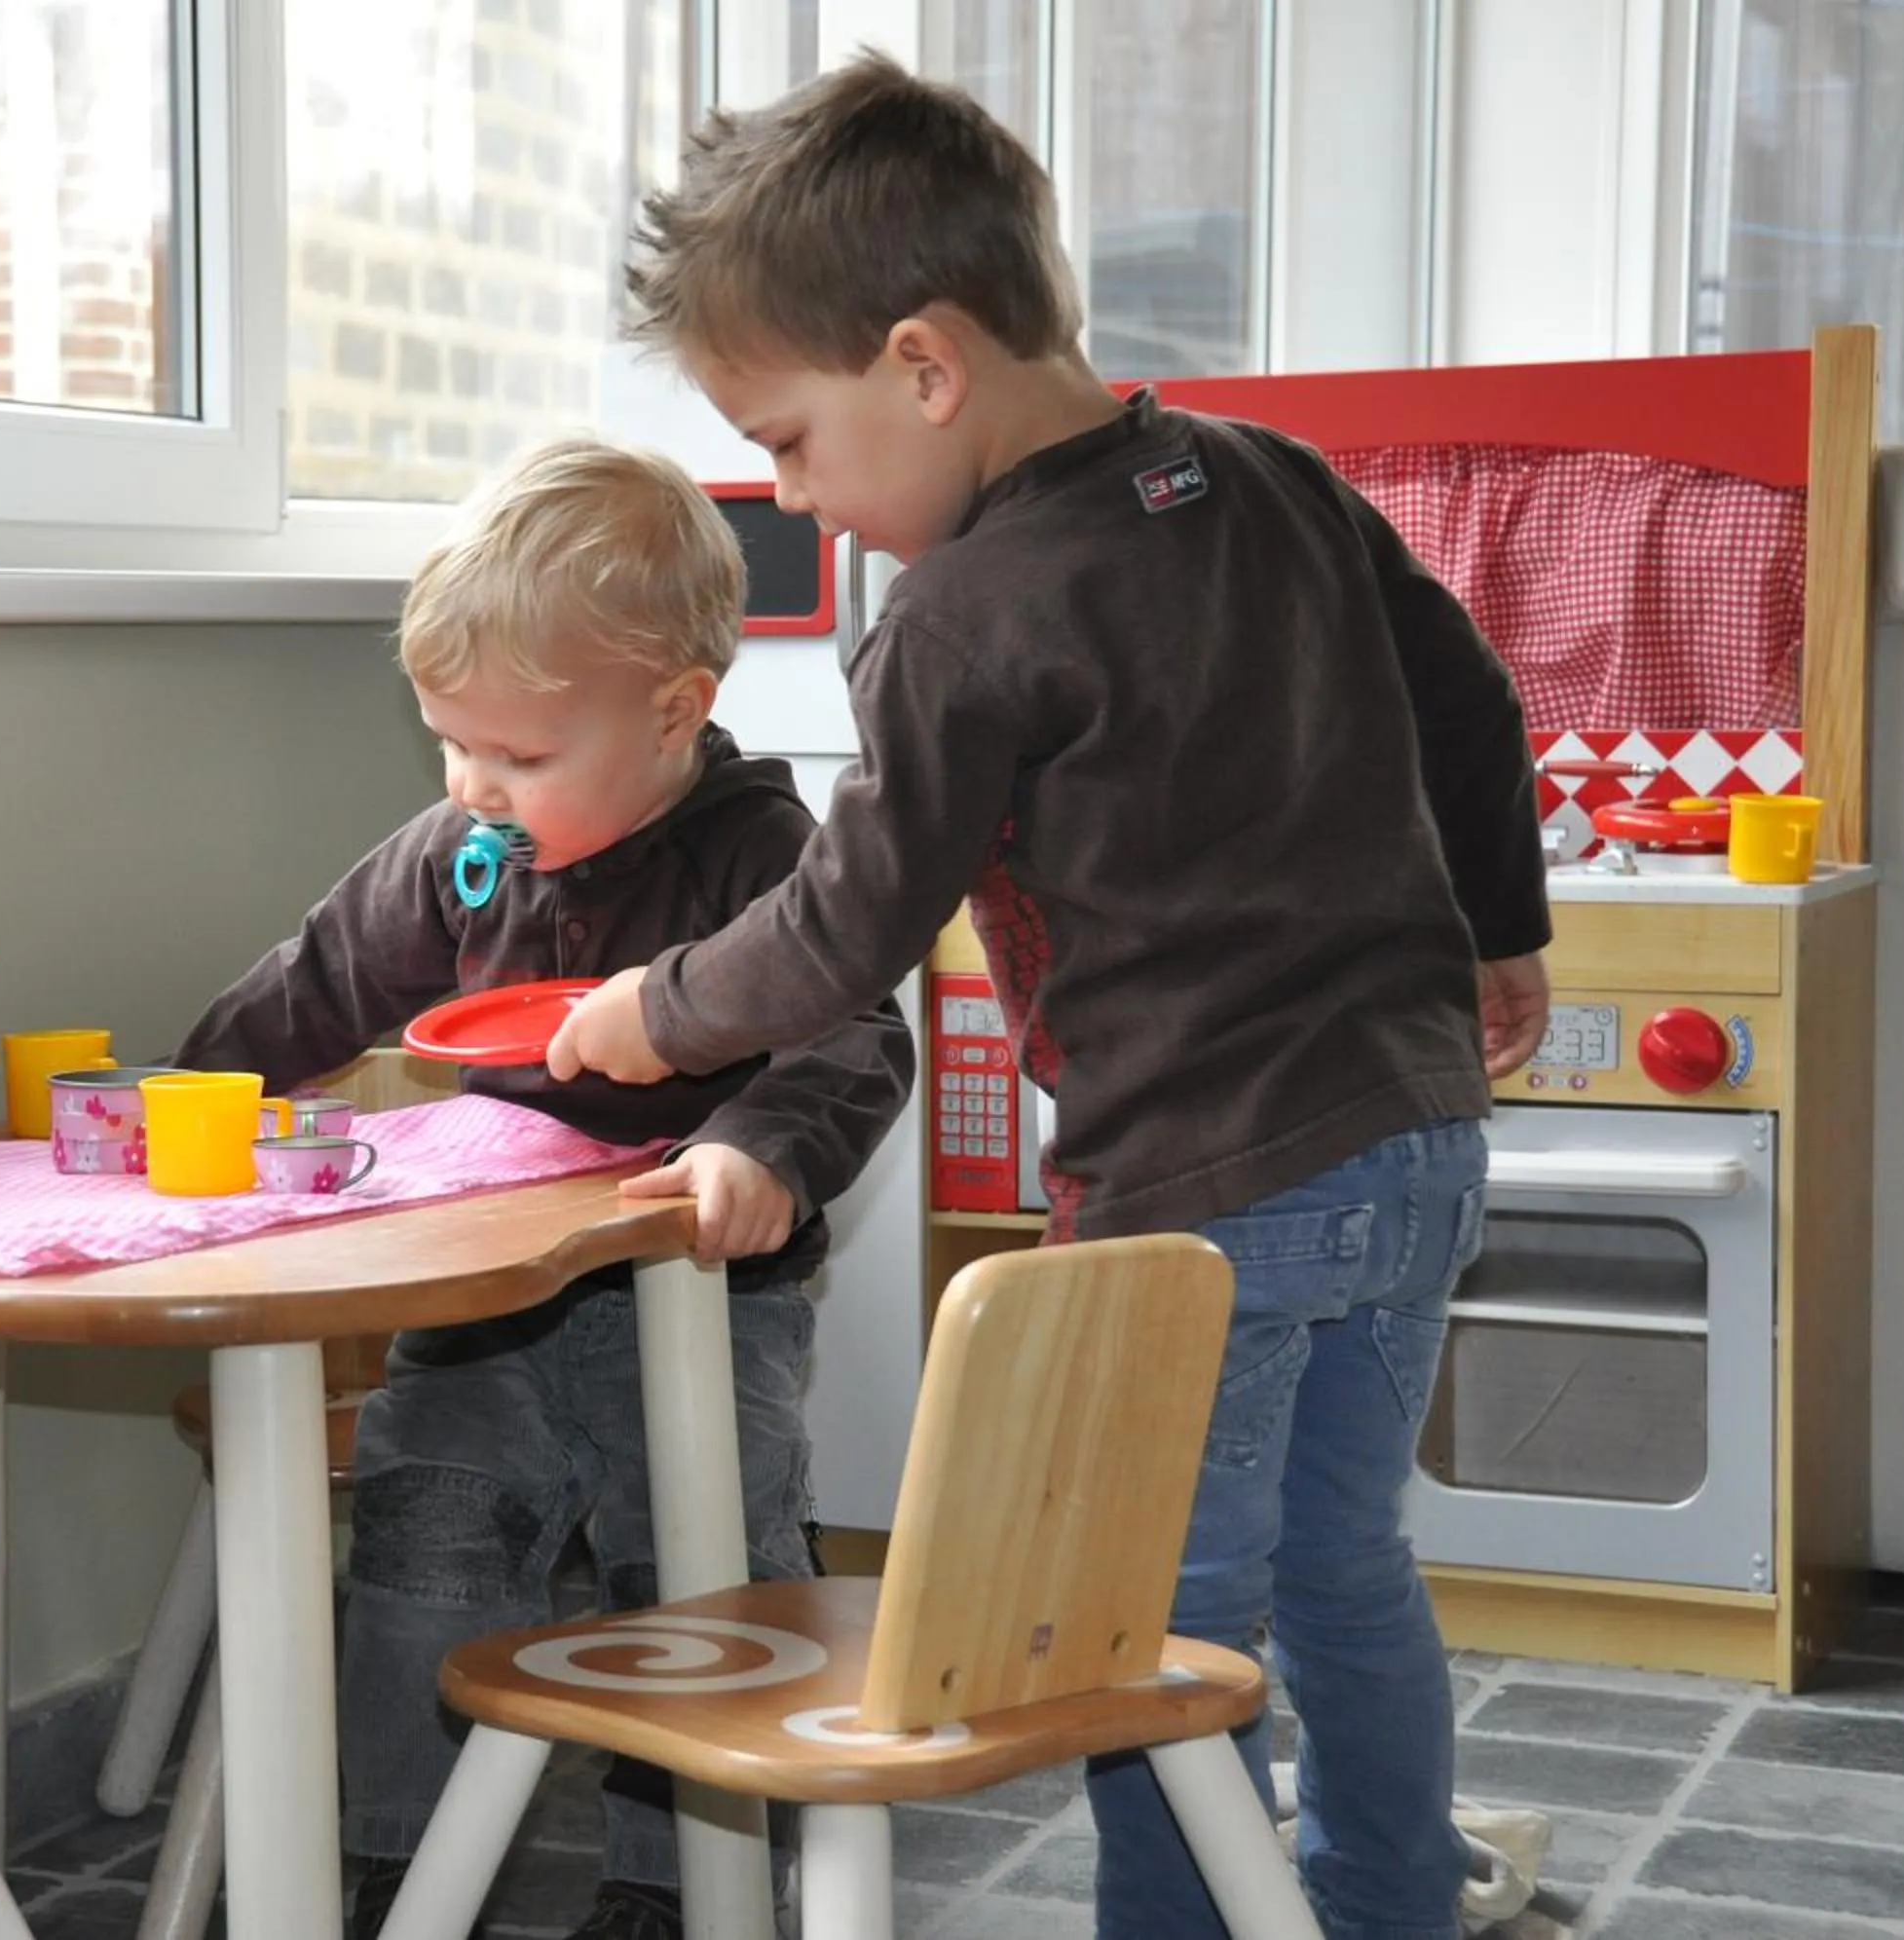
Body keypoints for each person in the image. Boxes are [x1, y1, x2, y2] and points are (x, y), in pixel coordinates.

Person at [543, 54, 1552, 1940]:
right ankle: (1382, 1906)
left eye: (789, 440)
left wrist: (650, 1010)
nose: (793, 494)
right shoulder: (1273, 481)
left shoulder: (962, 610)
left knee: (1163, 1631)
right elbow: (1477, 705)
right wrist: (1504, 927)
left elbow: (846, 925)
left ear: (926, 367)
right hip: (1418, 1141)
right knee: (1347, 1570)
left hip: (1211, 1202)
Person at [166, 436, 914, 1940]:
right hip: (487, 1300)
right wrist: (189, 1093)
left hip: (699, 1300)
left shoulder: (761, 855)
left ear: (674, 711)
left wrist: (758, 1151)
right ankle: (395, 1858)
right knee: (424, 1546)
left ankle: (674, 1882)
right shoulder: (466, 853)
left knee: (695, 1588)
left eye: (519, 758)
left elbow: (855, 1033)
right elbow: (322, 979)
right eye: (454, 745)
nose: (474, 788)